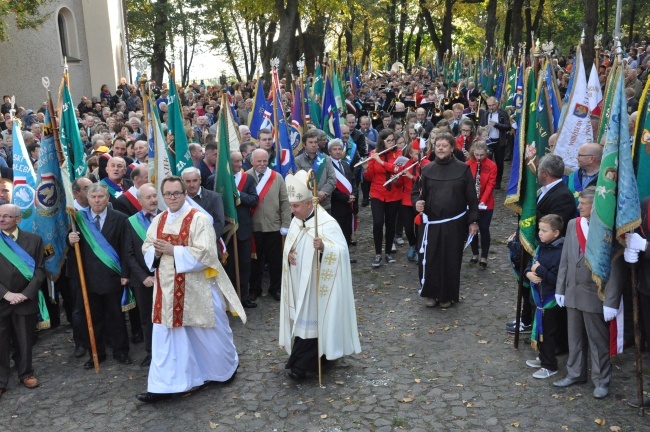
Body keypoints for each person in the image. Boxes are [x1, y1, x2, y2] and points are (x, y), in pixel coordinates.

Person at [136, 176, 245, 403]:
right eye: (168, 194)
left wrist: (173, 250)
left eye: (177, 193)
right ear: (162, 196)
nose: (172, 198)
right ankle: (164, 385)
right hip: (166, 292)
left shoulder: (199, 219)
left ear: (185, 193)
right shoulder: (159, 219)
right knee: (167, 338)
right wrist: (155, 253)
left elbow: (207, 254)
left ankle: (221, 371)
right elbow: (146, 246)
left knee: (207, 335)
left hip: (196, 290)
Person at [279, 170, 361, 380]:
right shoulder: (298, 221)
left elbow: (341, 251)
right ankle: (310, 360)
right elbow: (290, 245)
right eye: (291, 205)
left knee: (313, 322)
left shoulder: (326, 224)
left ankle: (300, 366)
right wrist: (289, 254)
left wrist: (325, 246)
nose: (292, 210)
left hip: (316, 286)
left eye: (296, 206)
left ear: (309, 204)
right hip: (300, 283)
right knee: (302, 320)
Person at [553, 187, 623, 399]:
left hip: (595, 295)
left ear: (595, 206)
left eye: (583, 204)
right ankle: (575, 373)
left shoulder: (607, 230)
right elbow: (564, 260)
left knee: (597, 341)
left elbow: (615, 269)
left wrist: (611, 301)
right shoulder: (574, 224)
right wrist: (560, 288)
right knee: (574, 338)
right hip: (572, 291)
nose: (579, 207)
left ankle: (601, 380)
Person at [68, 183, 132, 369]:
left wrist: (125, 274)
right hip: (88, 278)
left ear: (107, 198)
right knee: (93, 318)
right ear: (87, 199)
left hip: (113, 277)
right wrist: (69, 240)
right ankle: (96, 353)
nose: (97, 200)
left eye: (101, 197)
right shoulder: (78, 219)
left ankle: (121, 351)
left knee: (116, 317)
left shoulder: (120, 219)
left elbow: (126, 248)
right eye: (93, 197)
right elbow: (71, 246)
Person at [413, 133, 479, 308]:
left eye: (444, 145)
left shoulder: (463, 169)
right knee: (429, 258)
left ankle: (446, 295)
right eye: (438, 145)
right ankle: (429, 293)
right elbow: (416, 193)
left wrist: (473, 221)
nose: (441, 148)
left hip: (454, 223)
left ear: (451, 148)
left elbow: (472, 199)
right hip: (431, 224)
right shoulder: (426, 169)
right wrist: (417, 203)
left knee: (450, 259)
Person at [0, 203, 46, 396]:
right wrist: (6, 293)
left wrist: (25, 294)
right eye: (0, 215)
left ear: (18, 219)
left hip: (25, 299)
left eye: (6, 216)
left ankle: (26, 373)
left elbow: (40, 271)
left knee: (25, 340)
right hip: (2, 300)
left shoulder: (34, 240)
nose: (1, 219)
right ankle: (1, 380)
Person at [206, 151, 259, 308]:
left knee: (244, 264)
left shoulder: (247, 179)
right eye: (235, 161)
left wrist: (237, 194)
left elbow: (254, 200)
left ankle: (242, 297)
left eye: (240, 161)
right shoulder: (213, 180)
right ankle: (227, 299)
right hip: (224, 231)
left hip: (242, 229)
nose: (239, 164)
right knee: (227, 266)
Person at [247, 149, 291, 301]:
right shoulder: (245, 177)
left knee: (275, 261)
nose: (262, 164)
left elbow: (285, 202)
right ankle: (254, 289)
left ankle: (276, 288)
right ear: (252, 161)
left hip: (274, 227)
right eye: (258, 161)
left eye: (264, 160)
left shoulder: (277, 177)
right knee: (255, 262)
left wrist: (286, 224)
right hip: (254, 227)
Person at [524, 214, 564, 379]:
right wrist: (528, 274)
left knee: (547, 334)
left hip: (549, 301)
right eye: (539, 229)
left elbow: (557, 279)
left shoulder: (560, 252)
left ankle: (549, 365)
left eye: (544, 231)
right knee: (540, 331)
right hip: (537, 297)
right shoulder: (541, 246)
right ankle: (542, 357)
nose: (540, 233)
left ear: (556, 233)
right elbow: (530, 265)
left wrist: (539, 270)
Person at [124, 183, 159, 368]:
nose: (153, 200)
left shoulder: (166, 217)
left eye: (155, 196)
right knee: (147, 318)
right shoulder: (131, 222)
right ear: (139, 201)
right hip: (143, 280)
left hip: (166, 277)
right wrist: (144, 277)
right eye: (148, 197)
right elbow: (129, 254)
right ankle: (151, 352)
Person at [363, 129, 404, 267]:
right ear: (382, 142)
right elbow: (369, 177)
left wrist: (380, 161)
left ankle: (388, 253)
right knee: (378, 222)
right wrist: (366, 169)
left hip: (394, 194)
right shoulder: (373, 154)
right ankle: (377, 254)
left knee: (391, 223)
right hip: (377, 193)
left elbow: (396, 169)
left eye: (393, 140)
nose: (392, 143)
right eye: (389, 141)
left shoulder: (398, 153)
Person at [466, 142, 496, 269]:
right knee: (472, 228)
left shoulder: (492, 165)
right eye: (476, 155)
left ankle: (484, 255)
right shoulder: (468, 164)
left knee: (484, 228)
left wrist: (482, 200)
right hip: (471, 202)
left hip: (486, 203)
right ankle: (474, 253)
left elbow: (490, 185)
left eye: (482, 155)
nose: (479, 157)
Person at [400, 139, 429, 262]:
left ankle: (419, 247)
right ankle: (412, 245)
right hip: (406, 200)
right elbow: (400, 183)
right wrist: (397, 178)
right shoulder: (407, 164)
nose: (419, 155)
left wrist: (411, 176)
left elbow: (425, 182)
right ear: (411, 154)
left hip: (420, 201)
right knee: (408, 227)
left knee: (419, 227)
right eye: (416, 153)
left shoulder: (428, 164)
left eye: (421, 152)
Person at [294, 130, 337, 213]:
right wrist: (316, 194)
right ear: (304, 144)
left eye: (315, 142)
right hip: (307, 204)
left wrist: (324, 193)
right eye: (310, 142)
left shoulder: (326, 159)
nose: (313, 145)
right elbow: (300, 182)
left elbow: (332, 179)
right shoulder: (297, 161)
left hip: (325, 203)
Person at [328, 138, 357, 252]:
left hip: (349, 205)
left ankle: (346, 254)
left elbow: (353, 181)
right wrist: (345, 198)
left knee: (347, 231)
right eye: (334, 149)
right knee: (338, 232)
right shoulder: (328, 166)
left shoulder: (345, 164)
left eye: (340, 149)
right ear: (329, 152)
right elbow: (332, 187)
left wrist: (353, 194)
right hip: (336, 205)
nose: (338, 151)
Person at [479, 97, 511, 189]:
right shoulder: (486, 114)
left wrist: (497, 125)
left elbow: (508, 126)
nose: (491, 107)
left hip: (499, 141)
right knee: (486, 161)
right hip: (488, 141)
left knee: (499, 163)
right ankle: (487, 180)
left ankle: (498, 181)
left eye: (493, 105)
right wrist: (483, 128)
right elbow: (480, 125)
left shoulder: (503, 113)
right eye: (489, 105)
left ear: (497, 104)